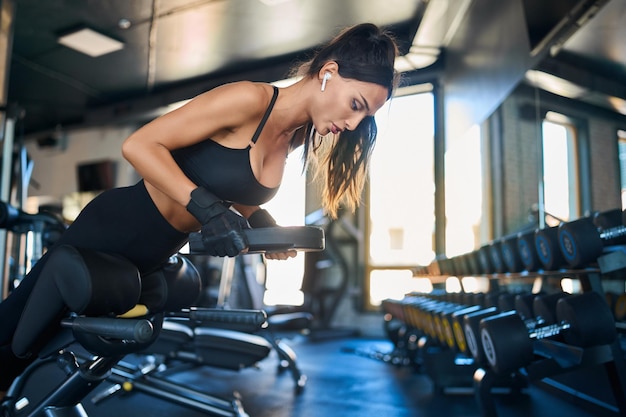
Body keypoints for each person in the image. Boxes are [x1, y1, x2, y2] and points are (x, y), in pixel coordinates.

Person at [0, 22, 400, 394]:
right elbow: (140, 145)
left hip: (155, 252)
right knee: (14, 335)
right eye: (356, 104)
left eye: (365, 115)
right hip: (116, 228)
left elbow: (235, 193)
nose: (353, 123)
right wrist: (207, 209)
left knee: (46, 352)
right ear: (328, 71)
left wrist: (264, 225)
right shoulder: (248, 100)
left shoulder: (293, 136)